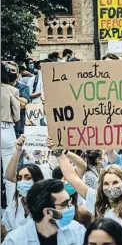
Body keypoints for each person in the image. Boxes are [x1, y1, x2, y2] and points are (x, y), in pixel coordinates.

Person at [53, 131, 122, 245]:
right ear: (101, 185)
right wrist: (59, 153)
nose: (111, 187)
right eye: (106, 184)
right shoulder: (96, 200)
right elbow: (72, 178)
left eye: (115, 182)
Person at [2, 179, 86, 245]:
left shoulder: (77, 231)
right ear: (48, 212)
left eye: (69, 202)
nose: (70, 207)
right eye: (64, 204)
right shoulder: (15, 241)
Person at [2, 163, 44, 232]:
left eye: (27, 178)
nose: (22, 182)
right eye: (19, 178)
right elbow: (6, 228)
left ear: (37, 181)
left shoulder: (46, 204)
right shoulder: (14, 204)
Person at [1, 62, 20, 205]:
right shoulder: (10, 90)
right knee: (10, 174)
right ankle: (10, 208)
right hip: (6, 130)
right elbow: (17, 115)